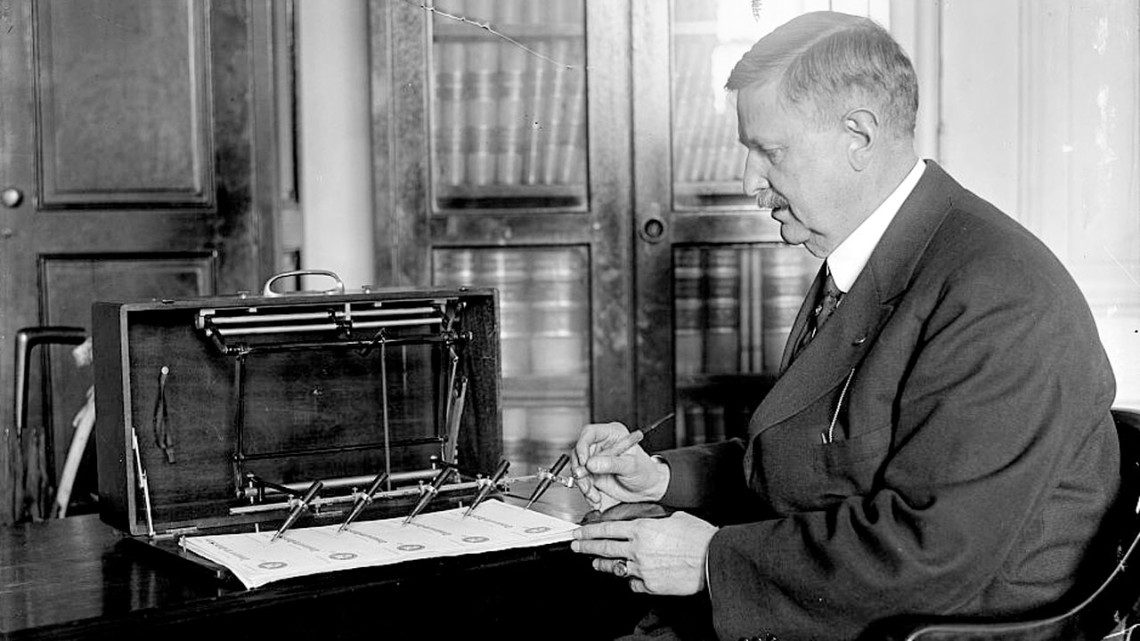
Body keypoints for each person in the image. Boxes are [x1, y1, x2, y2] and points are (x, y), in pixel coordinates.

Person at [570, 11, 1120, 641]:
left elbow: (932, 553)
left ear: (858, 135)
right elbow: (825, 461)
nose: (749, 183)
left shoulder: (1000, 294)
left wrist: (711, 560)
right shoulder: (884, 255)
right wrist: (665, 477)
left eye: (769, 152)